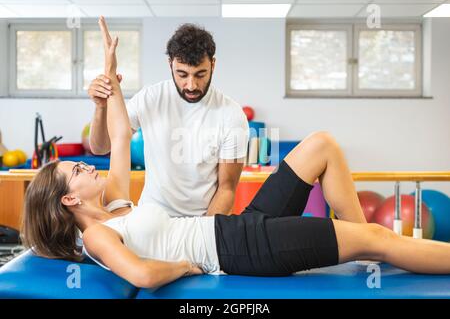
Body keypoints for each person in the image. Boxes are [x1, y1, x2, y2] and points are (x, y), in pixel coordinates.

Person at [22, 17, 450, 290]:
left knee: (322, 144)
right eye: (78, 170)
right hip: (231, 249)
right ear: (69, 199)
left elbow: (117, 137)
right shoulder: (97, 235)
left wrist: (110, 76)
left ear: (213, 66)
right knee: (376, 237)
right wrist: (187, 266)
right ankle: (366, 244)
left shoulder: (115, 201)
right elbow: (143, 275)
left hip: (229, 227)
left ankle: (361, 246)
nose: (88, 166)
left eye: (200, 74)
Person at [87, 20, 248, 218]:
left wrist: (202, 236)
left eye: (200, 74)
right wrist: (101, 107)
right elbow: (101, 147)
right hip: (152, 218)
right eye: (182, 74)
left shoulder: (231, 114)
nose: (191, 85)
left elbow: (227, 189)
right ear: (170, 64)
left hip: (201, 221)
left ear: (213, 65)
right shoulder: (150, 99)